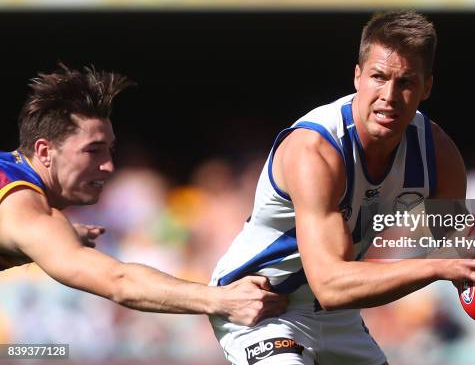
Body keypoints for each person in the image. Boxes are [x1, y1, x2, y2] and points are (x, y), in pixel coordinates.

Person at [209, 11, 475, 364]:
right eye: (379, 77)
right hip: (261, 305)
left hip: (339, 316)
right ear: (357, 76)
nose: (389, 96)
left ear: (427, 87)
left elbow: (453, 248)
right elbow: (330, 282)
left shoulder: (438, 155)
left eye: (406, 83)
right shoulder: (315, 149)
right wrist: (441, 266)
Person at [0, 64, 286, 326]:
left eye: (109, 150)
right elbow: (118, 280)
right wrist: (220, 299)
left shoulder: (15, 189)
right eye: (92, 150)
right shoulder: (24, 209)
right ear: (44, 151)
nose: (109, 165)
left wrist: (53, 238)